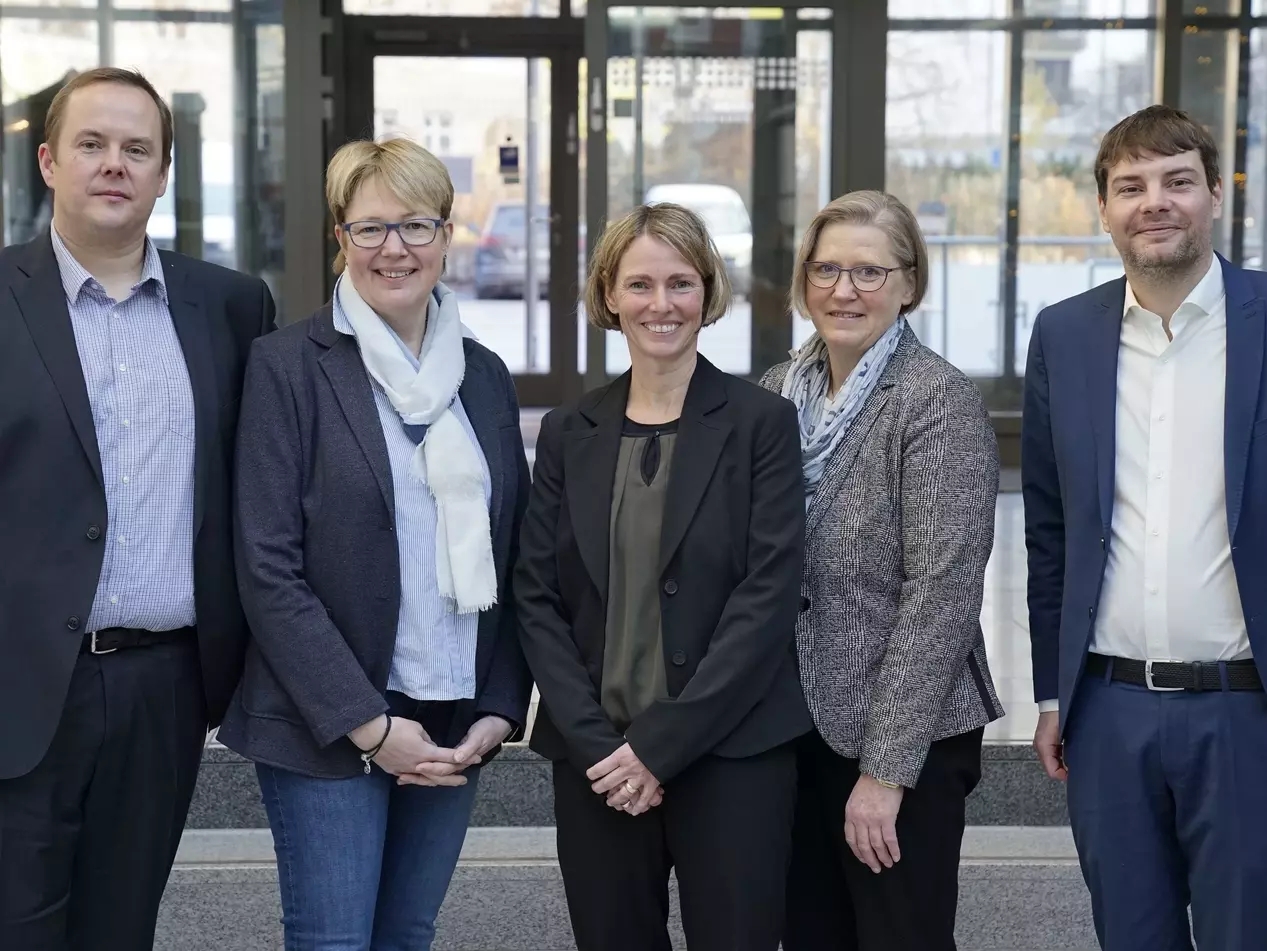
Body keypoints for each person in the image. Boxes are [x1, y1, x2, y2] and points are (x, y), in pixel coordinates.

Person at [216, 136, 532, 951]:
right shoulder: (288, 367)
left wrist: (500, 705)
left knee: (406, 935)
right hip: (329, 721)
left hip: (453, 710)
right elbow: (267, 567)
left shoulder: (485, 376)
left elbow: (518, 550)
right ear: (340, 239)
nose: (395, 248)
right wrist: (369, 724)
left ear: (447, 234)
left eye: (417, 225)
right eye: (370, 228)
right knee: (334, 942)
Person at [0, 68, 276, 950]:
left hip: (163, 687)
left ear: (163, 174)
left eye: (136, 149)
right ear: (47, 161)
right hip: (17, 686)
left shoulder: (234, 307)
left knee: (121, 930)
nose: (113, 164)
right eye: (91, 143)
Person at [514, 202, 811, 951]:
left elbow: (766, 597)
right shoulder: (567, 431)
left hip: (731, 752)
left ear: (708, 293)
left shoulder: (762, 423)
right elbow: (536, 596)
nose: (660, 304)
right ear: (609, 293)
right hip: (597, 759)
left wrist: (660, 746)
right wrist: (597, 745)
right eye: (640, 284)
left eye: (680, 283)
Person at [1023, 104, 1267, 951]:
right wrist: (1053, 692)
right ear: (1103, 208)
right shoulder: (1063, 334)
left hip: (1245, 712)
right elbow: (1049, 528)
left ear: (1212, 196)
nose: (1152, 202)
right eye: (1129, 186)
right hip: (1108, 711)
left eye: (1175, 181)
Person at [761, 190, 1004, 951]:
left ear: (909, 283)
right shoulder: (775, 392)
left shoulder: (935, 399)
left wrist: (886, 771)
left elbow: (942, 594)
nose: (843, 290)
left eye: (869, 272)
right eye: (826, 268)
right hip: (792, 727)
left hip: (901, 741)